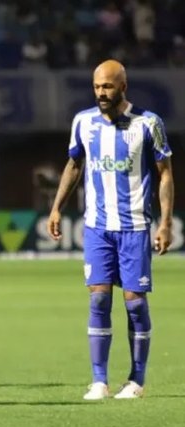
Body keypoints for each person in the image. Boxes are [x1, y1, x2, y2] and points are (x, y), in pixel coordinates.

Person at [47, 60, 174, 400]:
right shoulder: (83, 122)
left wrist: (165, 222)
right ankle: (99, 380)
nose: (102, 93)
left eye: (108, 86)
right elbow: (74, 165)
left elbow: (165, 173)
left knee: (134, 304)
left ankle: (136, 380)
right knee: (99, 298)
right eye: (97, 87)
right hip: (97, 227)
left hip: (134, 227)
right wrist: (57, 207)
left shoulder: (148, 123)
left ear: (123, 86)